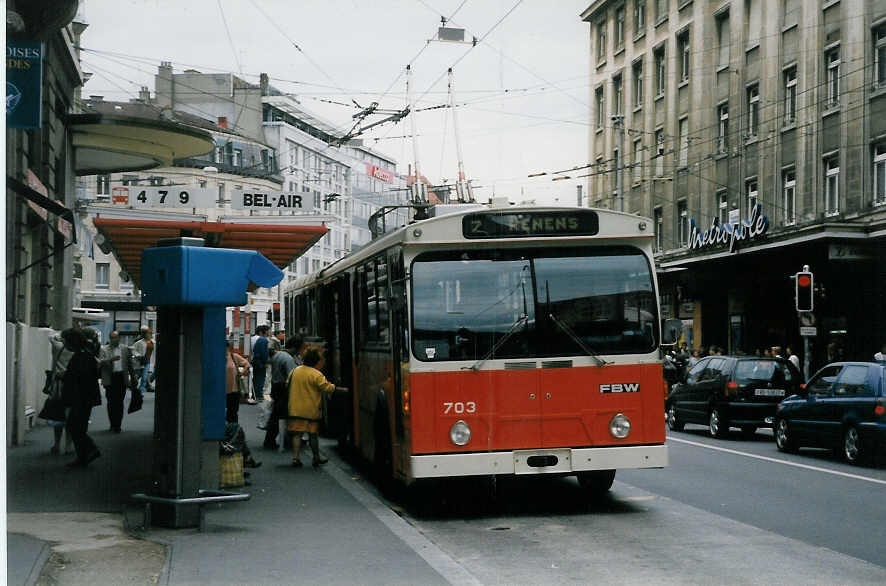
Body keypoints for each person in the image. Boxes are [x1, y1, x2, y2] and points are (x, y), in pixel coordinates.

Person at [287, 347, 342, 468]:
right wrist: (339, 388)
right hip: (311, 410)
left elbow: (287, 384)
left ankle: (295, 458)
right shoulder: (316, 374)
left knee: (297, 434)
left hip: (295, 409)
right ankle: (316, 457)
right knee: (313, 434)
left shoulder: (295, 371)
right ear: (317, 362)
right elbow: (327, 387)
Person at [63, 327, 102, 467]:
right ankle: (84, 456)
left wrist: (65, 377)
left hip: (81, 397)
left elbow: (80, 377)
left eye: (66, 341)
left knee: (74, 426)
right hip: (86, 397)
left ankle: (89, 450)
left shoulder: (81, 356)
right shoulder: (86, 354)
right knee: (78, 426)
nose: (65, 344)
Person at [264, 334, 303, 449]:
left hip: (276, 387)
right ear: (296, 347)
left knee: (276, 415)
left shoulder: (279, 354)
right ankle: (285, 440)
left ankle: (270, 440)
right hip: (283, 390)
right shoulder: (288, 359)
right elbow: (292, 377)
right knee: (285, 416)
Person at [99, 331, 137, 433]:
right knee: (111, 402)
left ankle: (118, 425)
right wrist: (110, 360)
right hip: (110, 378)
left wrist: (133, 377)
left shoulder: (124, 349)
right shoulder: (104, 349)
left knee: (119, 402)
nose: (114, 340)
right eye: (112, 338)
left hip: (121, 377)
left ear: (119, 338)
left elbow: (130, 364)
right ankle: (112, 424)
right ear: (109, 339)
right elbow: (99, 363)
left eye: (116, 338)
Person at [225, 342, 250, 423]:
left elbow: (247, 364)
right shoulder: (216, 357)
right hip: (220, 390)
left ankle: (233, 430)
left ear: (228, 348)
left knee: (233, 413)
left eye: (225, 347)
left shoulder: (233, 356)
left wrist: (242, 373)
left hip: (233, 390)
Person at [131, 326, 155, 396]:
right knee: (137, 376)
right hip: (140, 362)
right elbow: (133, 350)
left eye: (150, 333)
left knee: (144, 377)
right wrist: (138, 355)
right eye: (148, 333)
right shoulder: (139, 342)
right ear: (144, 334)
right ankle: (134, 387)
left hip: (148, 362)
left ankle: (141, 390)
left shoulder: (153, 342)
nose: (150, 334)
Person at [250, 326, 270, 404]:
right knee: (260, 379)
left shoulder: (253, 338)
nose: (269, 332)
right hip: (260, 363)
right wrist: (265, 362)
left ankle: (255, 395)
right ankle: (259, 396)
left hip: (255, 362)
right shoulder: (263, 340)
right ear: (263, 332)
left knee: (256, 379)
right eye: (268, 331)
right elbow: (264, 354)